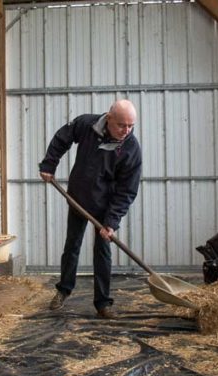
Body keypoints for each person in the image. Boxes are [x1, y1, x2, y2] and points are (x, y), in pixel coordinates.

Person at [39, 99, 142, 319]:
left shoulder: (131, 149)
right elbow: (62, 138)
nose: (126, 131)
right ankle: (63, 290)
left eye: (131, 126)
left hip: (106, 207)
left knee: (102, 251)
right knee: (72, 245)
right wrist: (49, 164)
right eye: (122, 125)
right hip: (79, 198)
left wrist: (111, 222)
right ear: (109, 118)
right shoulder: (87, 125)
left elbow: (127, 190)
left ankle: (103, 304)